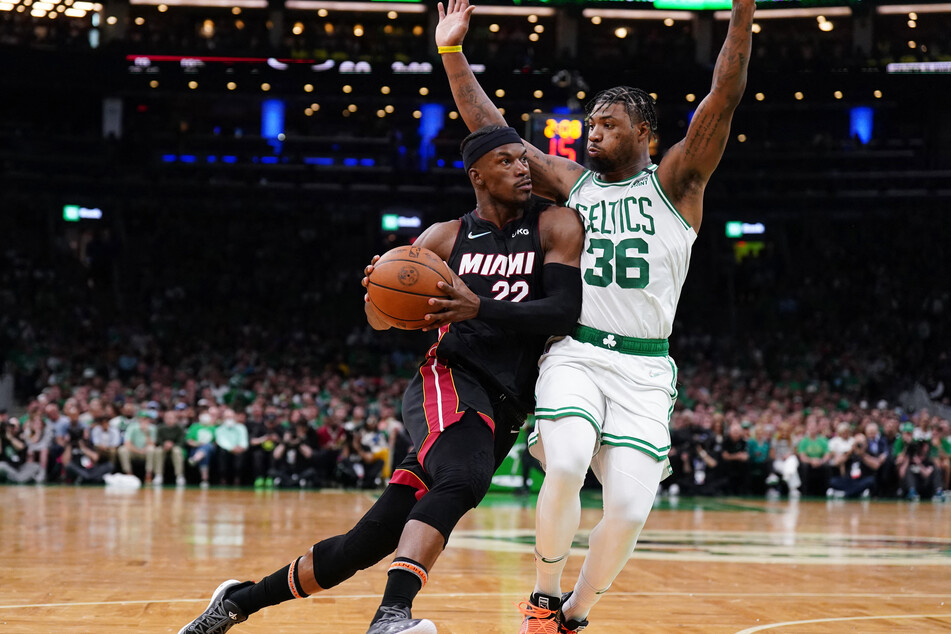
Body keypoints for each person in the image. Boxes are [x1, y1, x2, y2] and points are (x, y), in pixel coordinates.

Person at [178, 125, 584, 634]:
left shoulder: (555, 224)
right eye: (507, 161)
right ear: (477, 175)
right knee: (464, 478)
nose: (524, 168)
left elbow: (564, 312)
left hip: (507, 403)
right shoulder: (444, 238)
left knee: (363, 544)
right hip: (451, 379)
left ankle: (237, 602)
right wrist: (379, 288)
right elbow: (379, 318)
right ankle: (391, 617)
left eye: (525, 160)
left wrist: (478, 304)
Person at [435, 0, 754, 630]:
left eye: (607, 124)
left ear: (647, 136)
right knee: (566, 459)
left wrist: (742, 10)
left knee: (630, 511)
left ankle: (573, 615)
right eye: (590, 123)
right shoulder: (572, 184)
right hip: (576, 349)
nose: (592, 132)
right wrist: (451, 54)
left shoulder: (679, 183)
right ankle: (543, 594)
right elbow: (494, 132)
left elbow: (724, 93)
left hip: (645, 368)